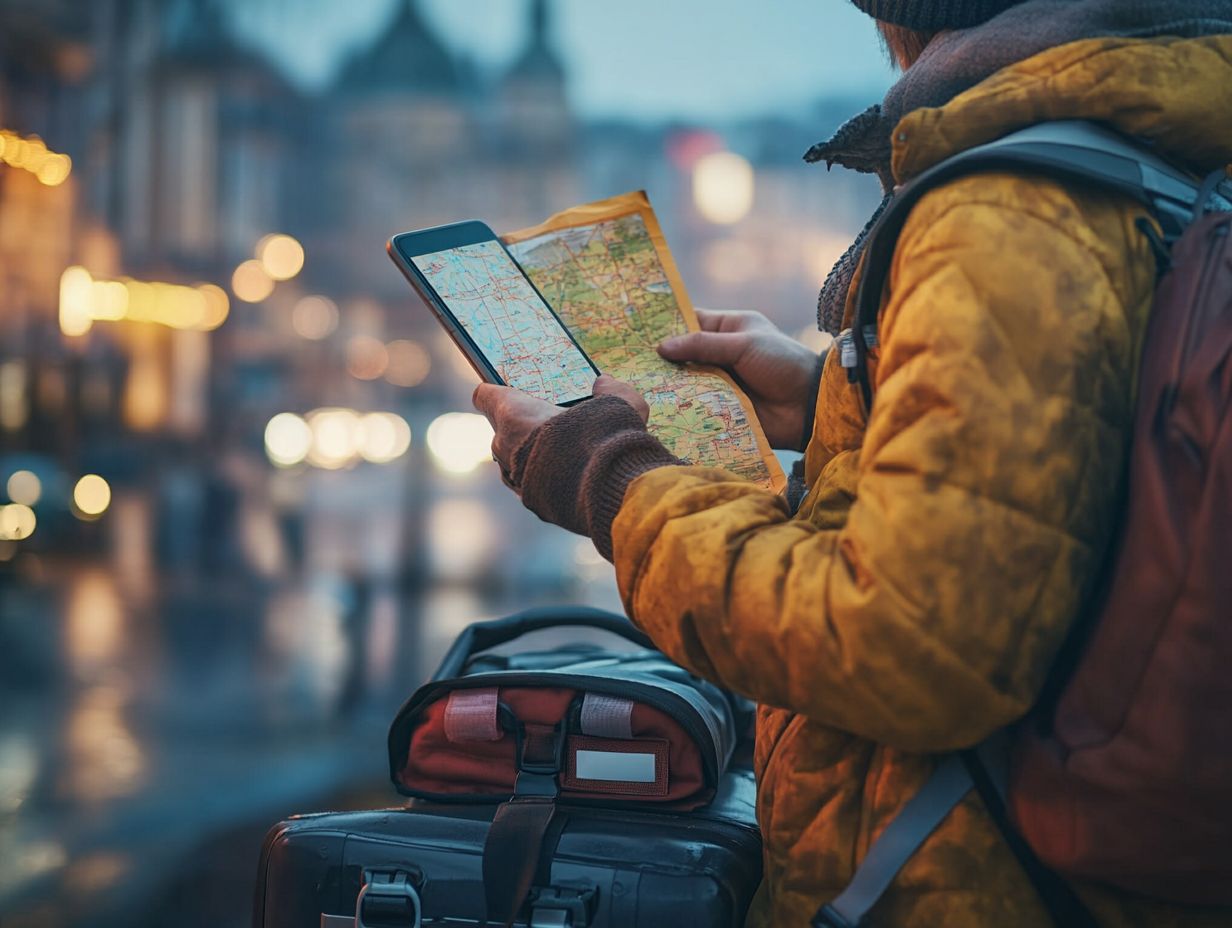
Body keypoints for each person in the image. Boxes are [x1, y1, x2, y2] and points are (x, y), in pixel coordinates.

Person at [473, 1, 1232, 924]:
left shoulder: (1006, 212)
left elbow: (904, 641)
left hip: (957, 884)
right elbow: (1088, 448)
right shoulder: (1145, 150)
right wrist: (837, 388)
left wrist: (609, 477)